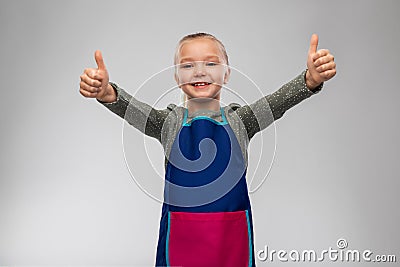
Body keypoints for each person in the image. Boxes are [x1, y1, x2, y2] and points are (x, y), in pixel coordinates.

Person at [79, 32, 336, 267]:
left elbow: (276, 102)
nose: (199, 71)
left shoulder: (241, 121)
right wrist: (107, 93)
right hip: (181, 239)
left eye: (211, 64)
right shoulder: (169, 122)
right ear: (176, 77)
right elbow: (134, 110)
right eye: (187, 65)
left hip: (229, 238)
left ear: (227, 74)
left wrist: (309, 80)